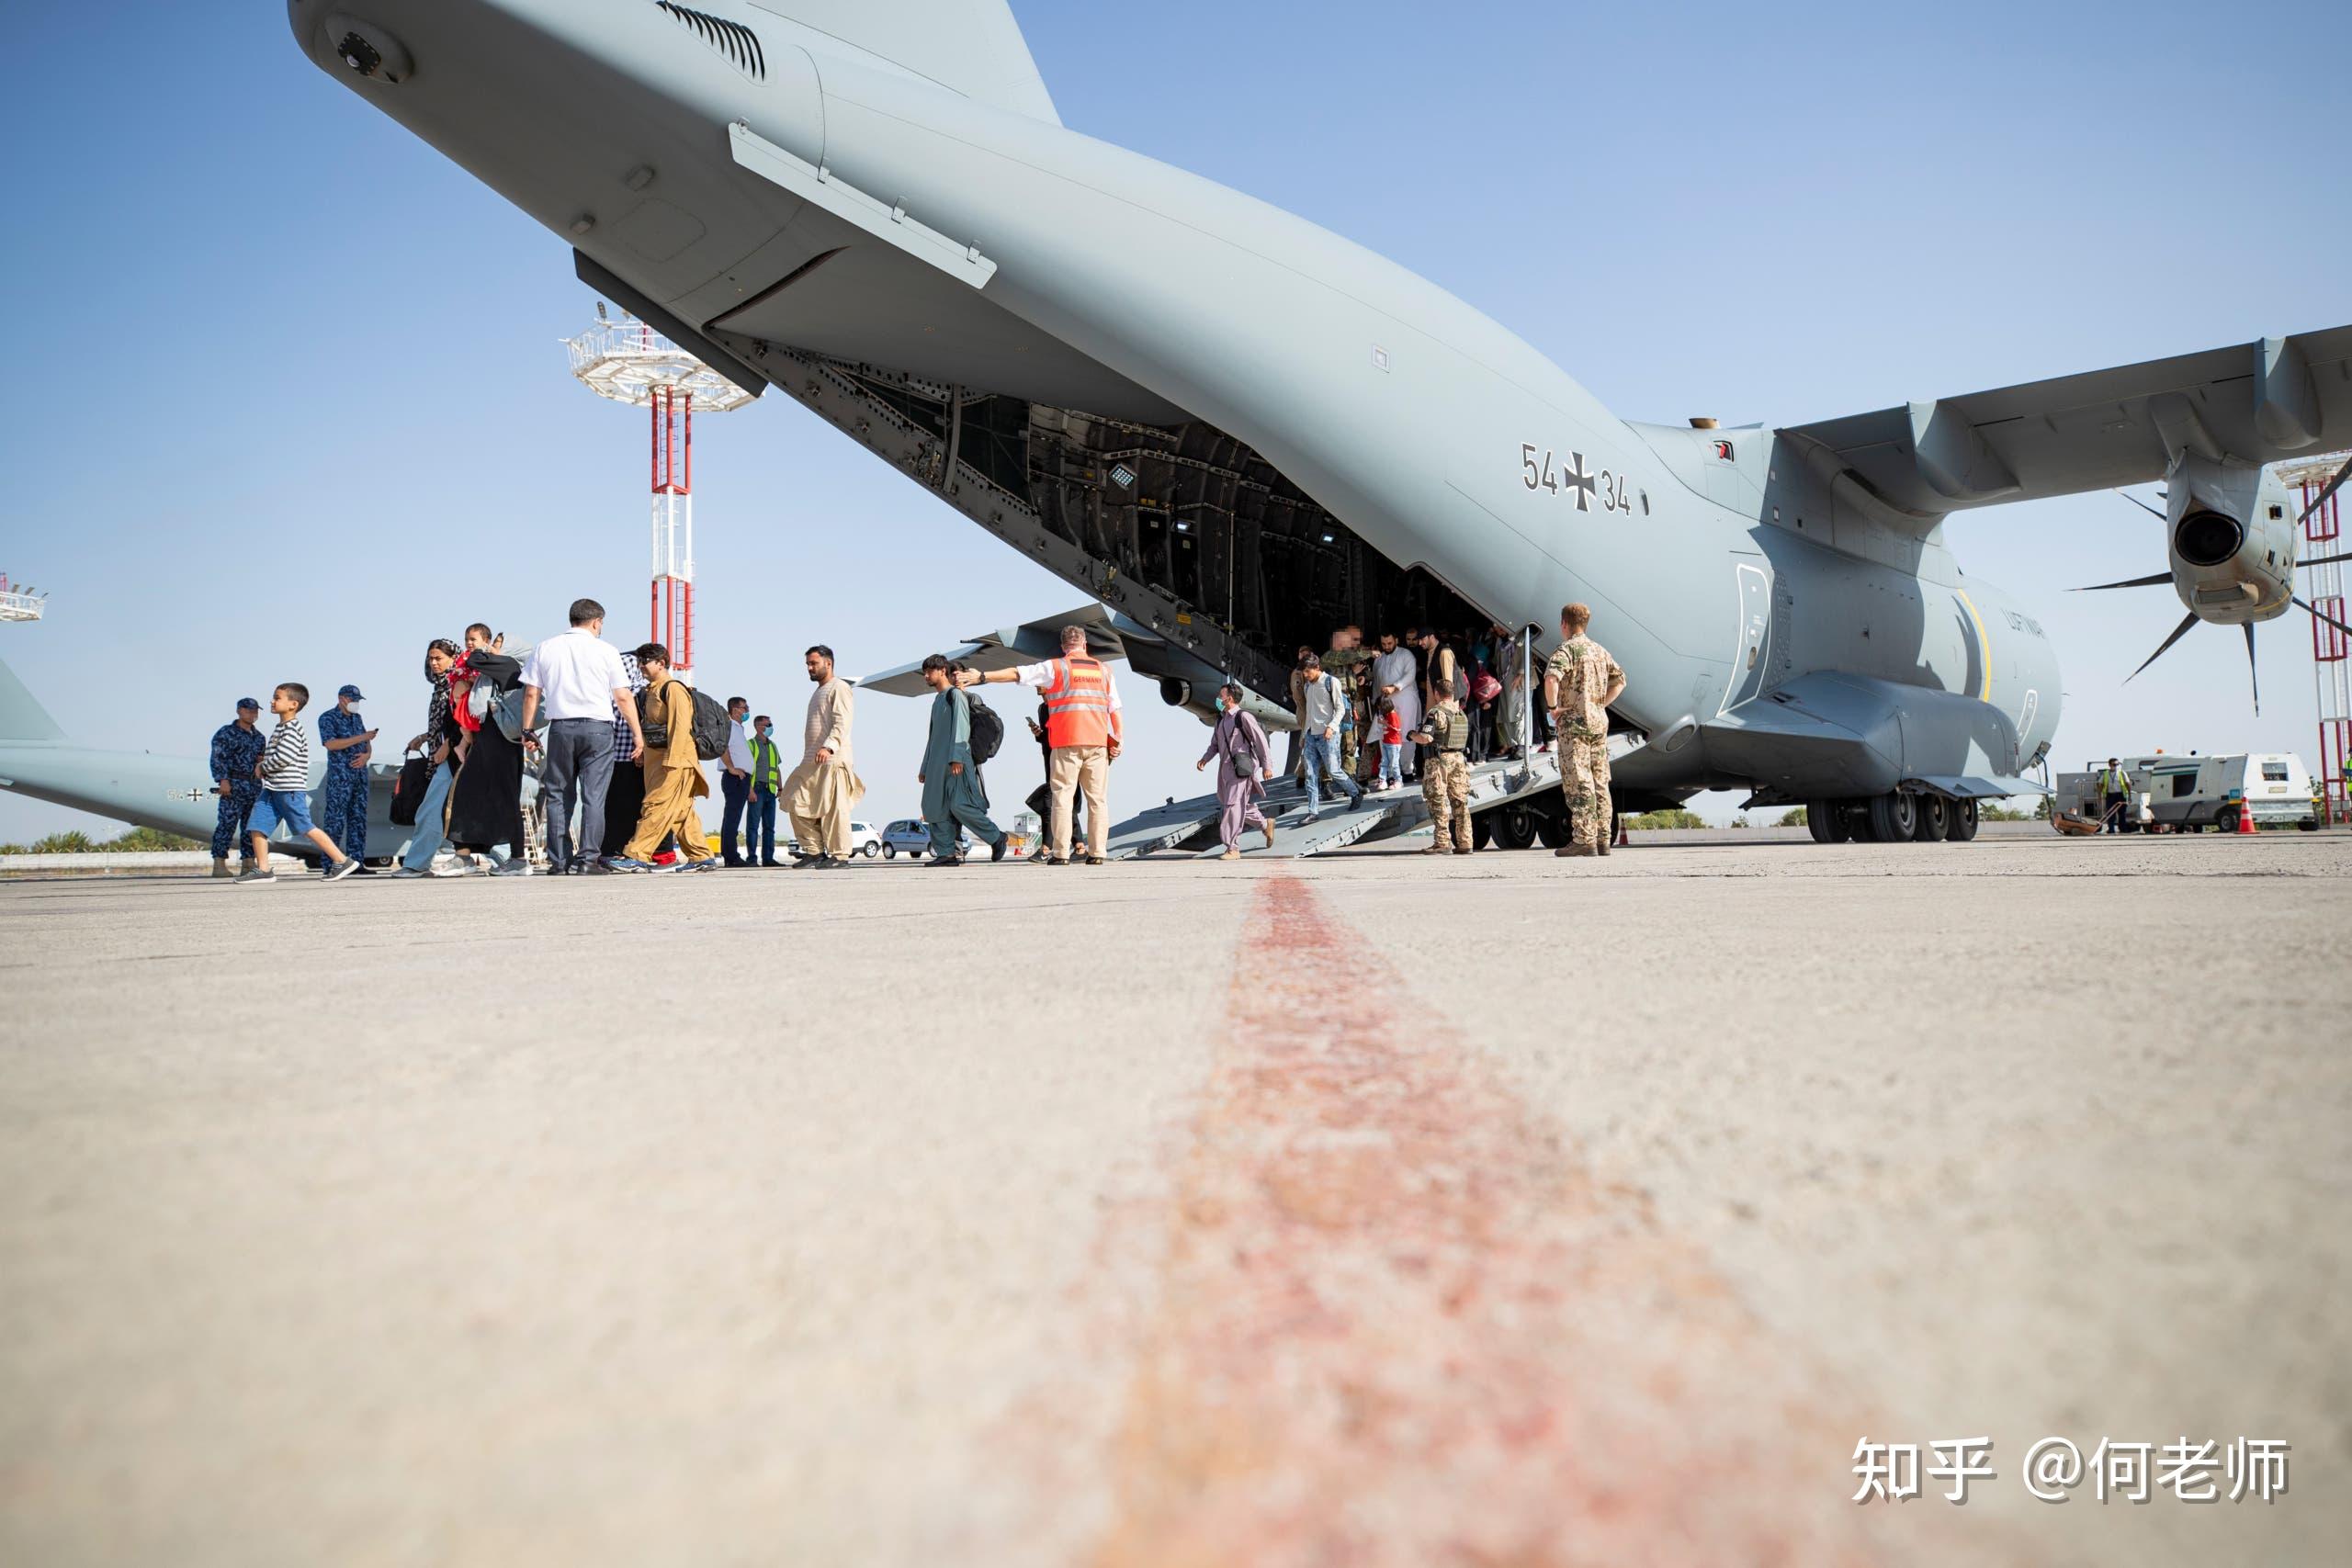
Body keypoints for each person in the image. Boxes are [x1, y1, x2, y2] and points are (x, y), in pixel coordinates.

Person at [961, 625, 1121, 864]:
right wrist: (1117, 739)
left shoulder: (1056, 667)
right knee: (1097, 800)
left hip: (1067, 742)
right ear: (1085, 644)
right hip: (1097, 743)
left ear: (1063, 647)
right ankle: (1097, 853)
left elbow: (1018, 674)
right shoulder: (1104, 670)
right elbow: (1114, 707)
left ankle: (1060, 854)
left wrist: (982, 677)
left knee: (1062, 799)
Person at [517, 598, 639, 875]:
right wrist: (637, 735)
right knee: (594, 797)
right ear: (596, 622)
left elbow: (532, 693)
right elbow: (622, 696)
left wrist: (527, 730)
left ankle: (559, 862)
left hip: (561, 729)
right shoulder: (607, 651)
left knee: (558, 795)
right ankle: (588, 861)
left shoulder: (545, 648)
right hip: (598, 730)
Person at [235, 683, 363, 885]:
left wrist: (262, 766)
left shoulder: (293, 729)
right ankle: (263, 869)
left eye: (277, 698)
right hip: (272, 789)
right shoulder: (281, 728)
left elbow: (284, 757)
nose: (272, 701)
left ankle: (342, 860)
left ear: (293, 704)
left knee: (305, 827)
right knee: (257, 825)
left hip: (289, 789)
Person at [614, 642, 715, 872]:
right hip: (657, 761)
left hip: (674, 762)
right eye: (639, 662)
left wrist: (673, 760)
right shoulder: (652, 690)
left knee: (655, 806)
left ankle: (637, 854)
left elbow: (680, 727)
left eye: (645, 662)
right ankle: (701, 855)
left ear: (661, 663)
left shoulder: (673, 689)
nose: (640, 667)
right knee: (681, 811)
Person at [1543, 602, 1627, 859]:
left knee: (1579, 780)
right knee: (1600, 780)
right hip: (1598, 723)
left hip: (1574, 724)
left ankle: (1583, 839)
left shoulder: (1567, 650)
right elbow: (1620, 680)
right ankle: (1603, 839)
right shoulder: (1600, 651)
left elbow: (1551, 679)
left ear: (1564, 624)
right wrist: (1600, 703)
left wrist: (1553, 707)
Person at [445, 638, 530, 875]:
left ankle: (516, 858)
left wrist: (480, 650)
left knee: (496, 796)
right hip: (493, 738)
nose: (492, 646)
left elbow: (473, 659)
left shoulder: (508, 665)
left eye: (499, 642)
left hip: (500, 739)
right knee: (477, 794)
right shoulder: (497, 672)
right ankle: (469, 856)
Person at [917, 655, 1009, 866]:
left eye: (929, 672)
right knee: (935, 808)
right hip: (937, 765)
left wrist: (957, 757)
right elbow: (932, 738)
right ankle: (947, 854)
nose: (926, 676)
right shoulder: (938, 700)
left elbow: (961, 728)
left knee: (960, 806)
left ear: (942, 671)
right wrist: (925, 767)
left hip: (956, 762)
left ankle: (997, 837)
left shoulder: (955, 695)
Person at [786, 644, 865, 868]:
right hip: (812, 760)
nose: (809, 668)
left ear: (828, 663)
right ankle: (814, 851)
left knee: (834, 810)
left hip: (833, 759)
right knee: (794, 800)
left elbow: (842, 721)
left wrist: (829, 747)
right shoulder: (819, 690)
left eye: (814, 663)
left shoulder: (839, 687)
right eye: (808, 664)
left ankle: (840, 856)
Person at [393, 639, 464, 878]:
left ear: (454, 658)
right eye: (430, 659)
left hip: (454, 756)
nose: (433, 663)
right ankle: (505, 857)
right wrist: (426, 737)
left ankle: (416, 864)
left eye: (438, 658)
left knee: (430, 810)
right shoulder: (441, 686)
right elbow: (443, 722)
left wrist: (447, 744)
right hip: (445, 755)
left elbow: (463, 720)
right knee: (463, 811)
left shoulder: (457, 683)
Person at [1196, 682, 1275, 860]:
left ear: (1229, 698)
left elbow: (1261, 741)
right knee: (1237, 806)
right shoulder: (1221, 720)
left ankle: (1233, 848)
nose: (1218, 698)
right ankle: (1265, 824)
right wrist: (1205, 759)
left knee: (1232, 807)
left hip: (1241, 768)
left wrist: (1267, 766)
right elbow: (1215, 744)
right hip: (1225, 770)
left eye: (1220, 696)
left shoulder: (1243, 717)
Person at [1295, 651, 1363, 824]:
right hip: (1311, 735)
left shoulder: (1330, 682)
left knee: (1334, 770)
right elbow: (1309, 713)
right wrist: (1304, 735)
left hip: (1328, 735)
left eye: (1308, 671)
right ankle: (1313, 812)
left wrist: (1332, 727)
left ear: (1316, 668)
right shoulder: (1307, 686)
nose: (1305, 675)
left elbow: (1340, 709)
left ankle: (1356, 793)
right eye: (1303, 672)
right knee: (1310, 774)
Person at [315, 684, 377, 873]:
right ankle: (331, 863)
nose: (356, 703)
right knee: (335, 820)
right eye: (352, 699)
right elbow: (331, 744)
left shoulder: (357, 718)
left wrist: (367, 755)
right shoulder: (327, 718)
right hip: (340, 777)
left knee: (358, 820)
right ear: (342, 698)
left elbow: (366, 744)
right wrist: (361, 738)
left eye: (358, 700)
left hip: (359, 776)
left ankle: (356, 863)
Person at [599, 649, 650, 864]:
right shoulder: (634, 694)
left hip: (612, 757)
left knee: (611, 807)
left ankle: (609, 849)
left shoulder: (606, 693)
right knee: (630, 807)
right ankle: (620, 849)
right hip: (632, 757)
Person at [207, 696, 266, 879]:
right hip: (233, 784)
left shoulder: (259, 737)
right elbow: (218, 758)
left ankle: (248, 863)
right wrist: (222, 780)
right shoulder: (226, 733)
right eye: (248, 710)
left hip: (253, 785)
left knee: (251, 826)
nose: (252, 714)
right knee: (227, 823)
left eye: (255, 710)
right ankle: (219, 863)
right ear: (239, 711)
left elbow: (260, 761)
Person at [1411, 685, 1475, 855]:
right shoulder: (1460, 713)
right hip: (1459, 760)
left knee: (1437, 800)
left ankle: (1442, 842)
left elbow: (1426, 738)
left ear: (1436, 693)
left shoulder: (1436, 712)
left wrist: (1411, 735)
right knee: (1460, 802)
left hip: (1440, 761)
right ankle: (1465, 842)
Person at [1023, 695, 1080, 862]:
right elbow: (1047, 739)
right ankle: (1079, 845)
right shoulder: (1042, 708)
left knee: (1052, 802)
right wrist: (1039, 735)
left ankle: (1046, 848)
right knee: (1062, 802)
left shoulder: (1063, 704)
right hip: (1050, 760)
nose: (1037, 687)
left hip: (1067, 757)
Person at [1372, 630, 1420, 783]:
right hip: (1386, 703)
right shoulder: (1378, 660)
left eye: (1390, 643)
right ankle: (1392, 773)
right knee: (1385, 735)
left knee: (1406, 733)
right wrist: (1375, 701)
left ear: (1397, 640)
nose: (1387, 646)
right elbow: (1376, 683)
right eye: (1384, 644)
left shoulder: (1406, 655)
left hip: (1406, 700)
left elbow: (1410, 675)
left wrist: (1395, 687)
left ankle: (1407, 770)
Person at [746, 713, 785, 866]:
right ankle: (752, 859)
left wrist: (780, 788)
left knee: (769, 827)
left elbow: (777, 768)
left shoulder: (773, 745)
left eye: (771, 725)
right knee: (753, 826)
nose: (770, 727)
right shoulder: (751, 745)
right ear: (758, 727)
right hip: (757, 789)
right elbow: (747, 770)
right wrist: (750, 791)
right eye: (767, 725)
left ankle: (768, 858)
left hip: (770, 790)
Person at [719, 695, 754, 866]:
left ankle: (731, 855)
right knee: (732, 818)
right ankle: (731, 857)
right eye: (744, 707)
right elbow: (722, 746)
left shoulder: (739, 729)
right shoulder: (729, 727)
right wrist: (731, 767)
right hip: (734, 777)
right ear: (734, 710)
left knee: (733, 818)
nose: (747, 710)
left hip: (742, 778)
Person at [1374, 695, 1404, 791]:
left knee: (1394, 763)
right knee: (1384, 762)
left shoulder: (1393, 715)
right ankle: (1382, 780)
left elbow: (1396, 728)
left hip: (1394, 743)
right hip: (1386, 741)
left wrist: (1384, 723)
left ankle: (1398, 780)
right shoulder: (1388, 715)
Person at [2099, 757, 2132, 833]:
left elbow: (2128, 783)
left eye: (2117, 764)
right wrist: (2102, 793)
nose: (2116, 766)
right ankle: (2111, 829)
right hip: (2110, 795)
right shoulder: (2106, 773)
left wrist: (2129, 795)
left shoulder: (2122, 772)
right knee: (2111, 813)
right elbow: (2100, 783)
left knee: (2122, 813)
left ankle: (2123, 829)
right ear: (2109, 765)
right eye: (2114, 764)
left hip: (2120, 795)